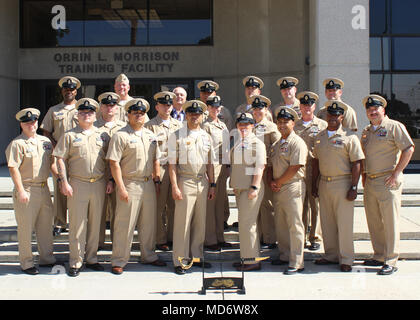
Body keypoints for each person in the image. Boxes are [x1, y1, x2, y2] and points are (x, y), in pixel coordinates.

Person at [53, 98, 112, 277]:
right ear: (77, 115)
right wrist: (64, 182)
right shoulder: (69, 135)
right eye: (83, 112)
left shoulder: (103, 135)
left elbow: (109, 161)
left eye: (90, 112)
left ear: (95, 115)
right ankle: (76, 261)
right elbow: (60, 159)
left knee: (96, 224)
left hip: (99, 183)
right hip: (77, 184)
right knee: (78, 224)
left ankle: (92, 258)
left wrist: (110, 181)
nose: (87, 115)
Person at [107, 98, 166, 275]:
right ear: (129, 115)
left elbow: (156, 159)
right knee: (125, 224)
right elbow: (113, 163)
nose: (139, 116)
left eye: (141, 114)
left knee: (148, 223)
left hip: (148, 183)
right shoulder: (120, 135)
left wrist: (156, 180)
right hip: (129, 183)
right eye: (135, 113)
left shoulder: (150, 135)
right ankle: (119, 259)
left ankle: (148, 255)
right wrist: (121, 187)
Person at [361, 94, 414, 275]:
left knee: (390, 221)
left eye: (376, 109)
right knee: (374, 221)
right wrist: (364, 177)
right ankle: (379, 255)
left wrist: (396, 173)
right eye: (369, 109)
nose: (372, 112)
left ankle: (391, 259)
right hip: (371, 180)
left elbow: (408, 148)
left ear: (383, 110)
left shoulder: (394, 127)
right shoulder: (367, 131)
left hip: (387, 180)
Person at [312, 100, 364, 272]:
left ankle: (347, 258)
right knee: (327, 223)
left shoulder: (350, 137)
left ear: (342, 117)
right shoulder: (319, 137)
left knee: (344, 223)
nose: (332, 118)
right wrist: (314, 185)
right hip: (324, 183)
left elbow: (357, 162)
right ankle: (331, 255)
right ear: (326, 116)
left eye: (336, 115)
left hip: (343, 183)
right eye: (330, 115)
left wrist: (354, 187)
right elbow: (316, 162)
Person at [6, 108, 56, 275]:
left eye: (34, 121)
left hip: (43, 188)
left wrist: (62, 180)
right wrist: (20, 191)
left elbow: (52, 164)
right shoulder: (17, 144)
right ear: (21, 124)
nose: (31, 125)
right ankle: (26, 263)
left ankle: (47, 258)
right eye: (27, 122)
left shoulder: (45, 142)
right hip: (26, 189)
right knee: (26, 228)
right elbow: (13, 168)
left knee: (45, 226)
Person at [168, 100, 216, 275]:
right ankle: (180, 260)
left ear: (202, 116)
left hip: (202, 183)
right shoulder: (177, 135)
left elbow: (210, 163)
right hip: (185, 181)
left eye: (197, 114)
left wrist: (212, 184)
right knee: (183, 223)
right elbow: (172, 164)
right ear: (186, 115)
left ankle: (196, 257)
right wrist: (174, 186)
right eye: (191, 113)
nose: (194, 116)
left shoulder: (206, 136)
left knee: (199, 222)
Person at [267, 106, 308, 275]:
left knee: (294, 224)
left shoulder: (297, 142)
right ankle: (284, 255)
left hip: (292, 186)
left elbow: (295, 166)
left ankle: (297, 261)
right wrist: (272, 181)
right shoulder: (277, 144)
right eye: (280, 122)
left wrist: (278, 181)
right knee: (281, 224)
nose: (282, 125)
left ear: (293, 123)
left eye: (286, 122)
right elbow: (270, 165)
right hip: (278, 187)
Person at [40, 76, 80, 236]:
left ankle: (79, 221)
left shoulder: (84, 108)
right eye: (66, 89)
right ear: (62, 91)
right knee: (60, 189)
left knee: (80, 189)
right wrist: (56, 148)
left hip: (79, 156)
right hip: (60, 156)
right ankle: (60, 222)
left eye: (71, 89)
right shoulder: (53, 110)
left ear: (76, 91)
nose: (68, 91)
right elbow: (46, 131)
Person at [145, 91, 182, 251]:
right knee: (159, 206)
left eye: (169, 105)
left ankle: (173, 237)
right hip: (159, 168)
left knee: (174, 205)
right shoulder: (150, 125)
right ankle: (160, 239)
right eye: (163, 105)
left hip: (175, 169)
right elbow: (149, 153)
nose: (167, 108)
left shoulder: (179, 125)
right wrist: (155, 175)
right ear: (157, 106)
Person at [230, 112, 266, 272]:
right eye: (240, 124)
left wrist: (254, 187)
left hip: (251, 189)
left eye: (247, 124)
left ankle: (252, 261)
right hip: (241, 189)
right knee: (245, 225)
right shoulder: (240, 142)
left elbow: (260, 166)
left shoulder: (257, 144)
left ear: (253, 126)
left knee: (248, 224)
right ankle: (247, 257)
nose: (243, 127)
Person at [294, 91, 327, 251]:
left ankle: (315, 236)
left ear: (314, 106)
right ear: (299, 106)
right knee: (301, 204)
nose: (307, 107)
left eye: (310, 105)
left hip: (315, 168)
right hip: (298, 169)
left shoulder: (322, 125)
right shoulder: (294, 125)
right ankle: (301, 235)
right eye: (304, 105)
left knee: (315, 203)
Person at [95, 92, 126, 249]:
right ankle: (97, 243)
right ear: (100, 107)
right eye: (106, 105)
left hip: (118, 176)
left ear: (117, 108)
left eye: (112, 105)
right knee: (97, 212)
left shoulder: (123, 127)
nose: (109, 108)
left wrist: (114, 179)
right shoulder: (92, 126)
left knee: (118, 212)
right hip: (98, 176)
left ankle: (117, 244)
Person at [251, 95, 281, 249]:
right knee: (256, 205)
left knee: (267, 204)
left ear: (266, 110)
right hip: (251, 171)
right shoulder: (249, 126)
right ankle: (260, 236)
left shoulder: (271, 127)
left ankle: (269, 238)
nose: (257, 111)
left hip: (266, 170)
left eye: (260, 108)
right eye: (255, 109)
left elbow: (277, 148)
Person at [202, 95, 231, 251]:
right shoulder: (205, 126)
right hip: (211, 165)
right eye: (212, 107)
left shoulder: (222, 125)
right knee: (210, 204)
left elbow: (226, 148)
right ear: (208, 108)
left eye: (218, 107)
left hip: (222, 166)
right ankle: (210, 239)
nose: (216, 109)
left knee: (220, 203)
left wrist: (227, 165)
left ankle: (220, 237)